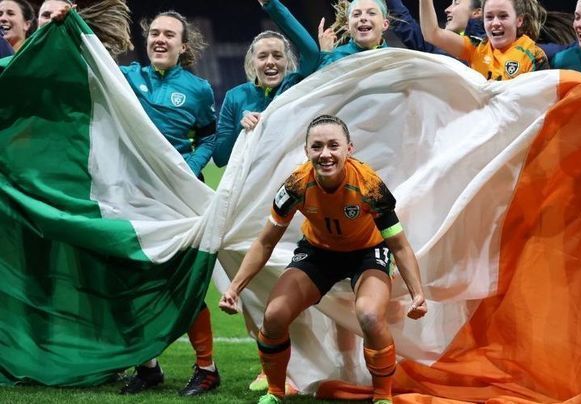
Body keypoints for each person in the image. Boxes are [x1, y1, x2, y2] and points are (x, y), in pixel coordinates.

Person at [219, 115, 428, 404]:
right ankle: (276, 392)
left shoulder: (370, 186)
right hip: (319, 253)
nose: (325, 154)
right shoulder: (295, 185)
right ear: (307, 152)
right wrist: (234, 289)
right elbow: (265, 241)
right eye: (317, 147)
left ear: (349, 149)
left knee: (369, 315)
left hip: (367, 253)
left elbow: (400, 246)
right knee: (274, 315)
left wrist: (418, 294)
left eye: (333, 145)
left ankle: (382, 395)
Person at [117, 11, 220, 396]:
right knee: (133, 281)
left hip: (177, 200)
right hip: (132, 197)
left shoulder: (198, 89)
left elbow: (210, 137)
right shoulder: (125, 77)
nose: (160, 39)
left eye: (169, 35)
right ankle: (148, 367)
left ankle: (207, 369)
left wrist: (185, 168)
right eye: (154, 33)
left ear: (183, 45)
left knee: (184, 283)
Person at [212, 0, 318, 167]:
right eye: (262, 56)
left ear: (287, 61)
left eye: (277, 55)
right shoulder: (235, 97)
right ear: (252, 62)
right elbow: (219, 157)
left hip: (291, 177)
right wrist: (242, 128)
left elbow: (311, 52)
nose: (270, 62)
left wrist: (272, 4)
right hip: (251, 183)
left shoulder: (296, 84)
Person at [419, 0, 549, 80]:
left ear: (519, 20)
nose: (495, 23)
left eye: (503, 16)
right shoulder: (475, 48)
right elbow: (432, 33)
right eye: (489, 17)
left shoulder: (534, 55)